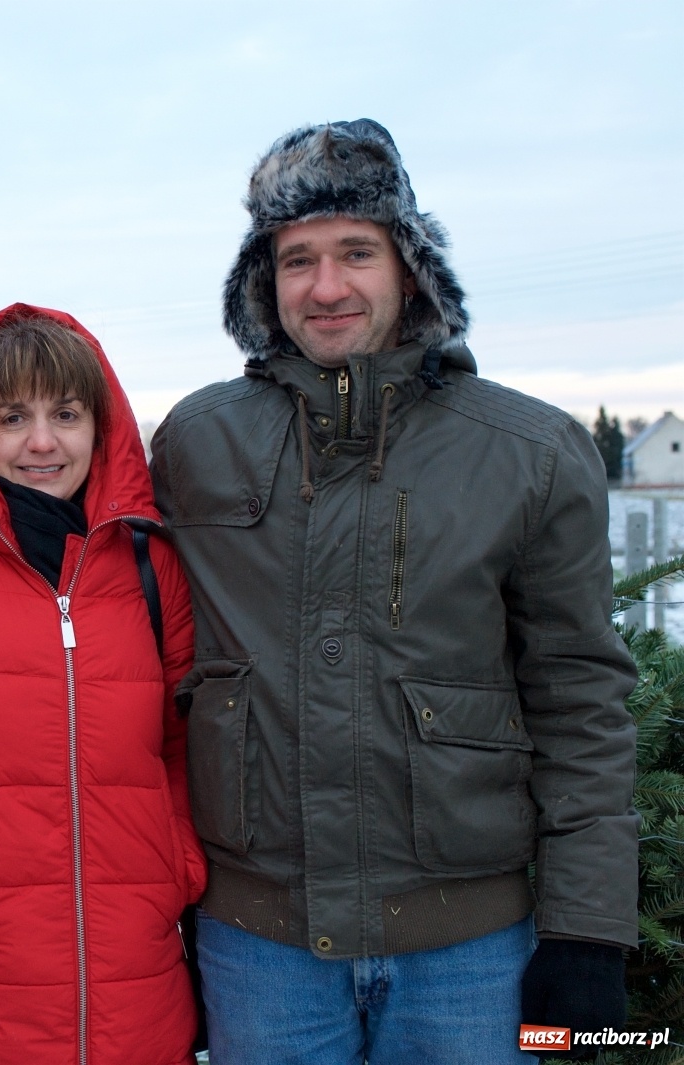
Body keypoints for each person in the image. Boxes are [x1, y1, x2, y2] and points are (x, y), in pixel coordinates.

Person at [150, 120, 638, 1063]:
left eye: (355, 253)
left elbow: (582, 699)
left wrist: (588, 930)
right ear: (265, 280)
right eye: (297, 259)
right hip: (259, 952)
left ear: (410, 267)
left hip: (469, 957)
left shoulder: (528, 454)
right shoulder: (198, 442)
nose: (326, 287)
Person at [0, 305, 206, 1064]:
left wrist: (176, 867)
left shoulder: (150, 567)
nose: (42, 441)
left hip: (139, 982)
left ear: (101, 427)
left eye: (65, 413)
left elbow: (184, 742)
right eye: (13, 415)